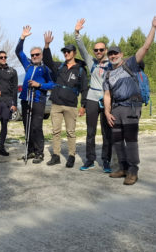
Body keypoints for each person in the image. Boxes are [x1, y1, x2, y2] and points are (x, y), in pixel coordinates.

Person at [104, 13, 156, 185]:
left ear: (121, 54)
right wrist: (107, 112)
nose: (113, 56)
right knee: (117, 140)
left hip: (131, 107)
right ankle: (123, 168)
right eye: (110, 54)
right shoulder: (107, 74)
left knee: (130, 141)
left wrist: (153, 27)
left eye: (115, 53)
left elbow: (145, 47)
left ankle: (133, 171)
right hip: (116, 109)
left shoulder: (130, 64)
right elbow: (107, 95)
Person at [74, 19, 113, 172]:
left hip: (107, 99)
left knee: (106, 132)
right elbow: (82, 49)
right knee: (90, 132)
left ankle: (106, 161)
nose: (98, 52)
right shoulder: (91, 63)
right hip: (92, 99)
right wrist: (77, 33)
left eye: (101, 50)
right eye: (96, 50)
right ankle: (90, 160)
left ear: (106, 50)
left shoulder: (112, 64)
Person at [45, 35, 88, 168]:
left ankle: (71, 156)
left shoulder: (80, 70)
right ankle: (56, 156)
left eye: (68, 51)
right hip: (56, 104)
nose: (66, 53)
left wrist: (83, 106)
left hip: (71, 106)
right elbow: (47, 61)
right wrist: (47, 46)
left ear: (74, 53)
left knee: (71, 132)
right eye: (64, 51)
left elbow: (84, 89)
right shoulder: (59, 66)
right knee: (56, 131)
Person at [15, 26, 55, 163]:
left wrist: (39, 85)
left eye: (37, 54)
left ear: (41, 55)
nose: (34, 57)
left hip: (38, 100)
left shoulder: (45, 69)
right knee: (27, 126)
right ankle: (30, 151)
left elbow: (53, 84)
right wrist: (22, 38)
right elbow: (18, 52)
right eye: (32, 55)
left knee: (36, 127)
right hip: (26, 99)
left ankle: (39, 153)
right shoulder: (27, 65)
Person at [0, 50, 18, 156]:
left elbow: (15, 89)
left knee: (4, 124)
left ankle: (1, 147)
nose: (4, 59)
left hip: (7, 101)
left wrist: (15, 104)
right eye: (1, 57)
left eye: (5, 57)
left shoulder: (12, 71)